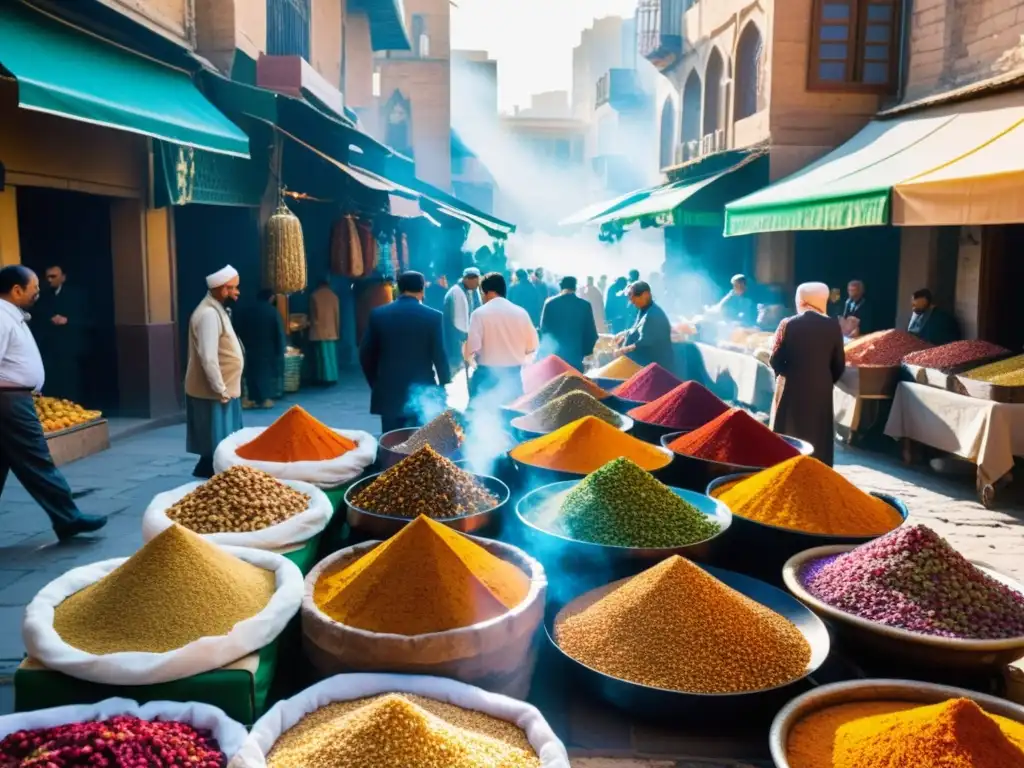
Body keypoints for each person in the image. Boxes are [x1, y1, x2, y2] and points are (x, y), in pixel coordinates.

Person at [0, 266, 107, 541]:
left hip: (14, 399)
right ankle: (68, 518)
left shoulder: (14, 316)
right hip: (9, 402)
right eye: (34, 286)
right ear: (16, 290)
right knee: (37, 459)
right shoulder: (1, 317)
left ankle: (66, 518)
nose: (38, 291)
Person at [360, 271, 451, 434]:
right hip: (422, 392)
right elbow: (440, 356)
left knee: (391, 443)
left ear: (399, 289)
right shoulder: (433, 317)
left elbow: (366, 355)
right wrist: (443, 387)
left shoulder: (378, 315)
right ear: (423, 290)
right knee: (419, 445)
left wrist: (376, 383)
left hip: (388, 392)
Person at [769, 282, 845, 468]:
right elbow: (839, 364)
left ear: (801, 300)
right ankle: (818, 472)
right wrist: (824, 380)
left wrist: (785, 373)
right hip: (821, 389)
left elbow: (775, 358)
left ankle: (788, 469)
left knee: (790, 433)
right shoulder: (833, 326)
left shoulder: (788, 324)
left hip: (792, 387)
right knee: (819, 433)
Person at [184, 265, 244, 479]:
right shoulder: (209, 313)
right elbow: (208, 357)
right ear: (222, 289)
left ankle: (210, 469)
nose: (237, 292)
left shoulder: (217, 309)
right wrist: (220, 388)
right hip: (216, 392)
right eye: (234, 288)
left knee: (221, 440)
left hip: (225, 389)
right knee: (218, 441)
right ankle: (216, 475)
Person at [466, 272, 539, 404]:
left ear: (486, 292)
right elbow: (532, 347)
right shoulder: (521, 313)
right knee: (513, 419)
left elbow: (473, 348)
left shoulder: (478, 314)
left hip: (486, 378)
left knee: (480, 420)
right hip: (513, 377)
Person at [30, 264, 88, 403]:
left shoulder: (76, 296)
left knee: (71, 383)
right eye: (48, 277)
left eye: (53, 276)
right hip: (50, 348)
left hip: (70, 348)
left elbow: (89, 319)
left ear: (63, 277)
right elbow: (36, 317)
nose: (50, 280)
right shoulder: (42, 297)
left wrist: (68, 321)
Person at [234, 289, 286, 409]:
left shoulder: (248, 311)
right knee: (265, 372)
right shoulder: (272, 311)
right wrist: (280, 349)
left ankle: (253, 398)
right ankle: (266, 399)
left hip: (250, 347)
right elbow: (278, 332)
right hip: (268, 347)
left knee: (252, 373)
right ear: (271, 298)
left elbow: (240, 329)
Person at [539, 276, 599, 372]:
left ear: (561, 286)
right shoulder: (585, 305)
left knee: (555, 385)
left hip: (554, 358)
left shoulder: (550, 303)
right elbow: (591, 334)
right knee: (573, 385)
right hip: (575, 357)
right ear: (575, 288)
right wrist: (585, 352)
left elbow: (544, 331)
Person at [615, 280, 674, 371]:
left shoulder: (653, 314)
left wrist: (623, 350)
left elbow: (645, 342)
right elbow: (637, 328)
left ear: (645, 294)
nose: (632, 302)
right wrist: (624, 333)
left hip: (654, 367)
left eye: (634, 297)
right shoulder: (643, 310)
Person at [443, 267, 482, 367]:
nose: (478, 284)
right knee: (458, 365)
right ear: (467, 279)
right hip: (457, 335)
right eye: (475, 281)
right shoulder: (457, 292)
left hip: (465, 334)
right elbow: (460, 322)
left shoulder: (472, 290)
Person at [308, 278, 341, 385]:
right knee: (331, 355)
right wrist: (337, 330)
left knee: (321, 356)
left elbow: (313, 316)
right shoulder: (334, 296)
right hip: (332, 331)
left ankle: (323, 378)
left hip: (319, 330)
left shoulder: (314, 296)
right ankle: (333, 377)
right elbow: (337, 315)